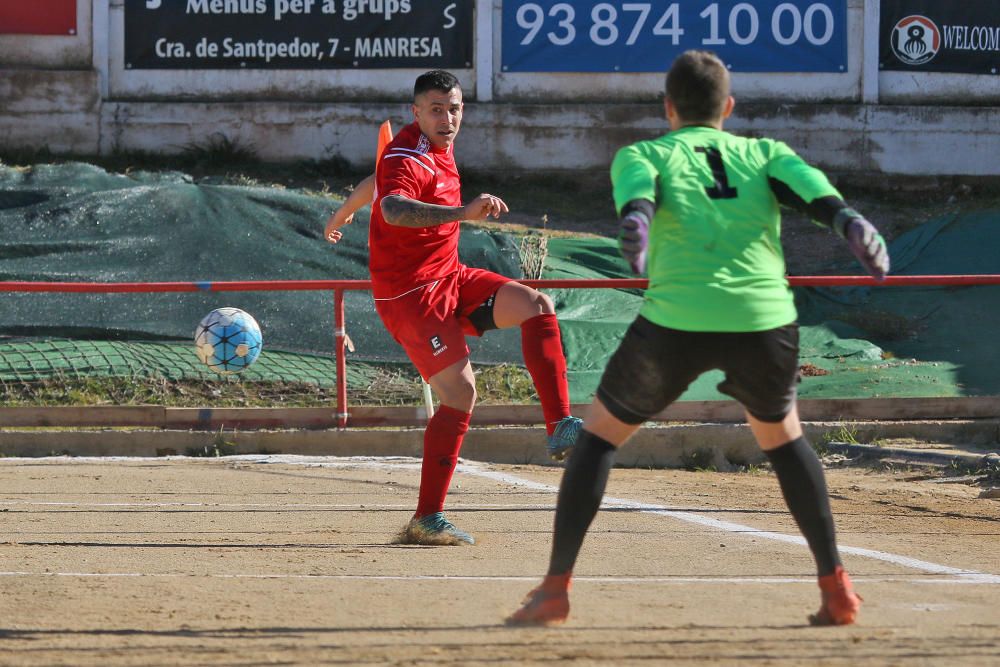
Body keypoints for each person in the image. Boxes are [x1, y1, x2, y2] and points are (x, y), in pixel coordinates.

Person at [507, 50, 889, 627]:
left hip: (677, 319)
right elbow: (816, 196)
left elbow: (637, 193)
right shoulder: (764, 153)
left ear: (668, 109)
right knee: (784, 441)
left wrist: (637, 219)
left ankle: (556, 588)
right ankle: (837, 588)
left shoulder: (644, 154)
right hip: (762, 320)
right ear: (728, 108)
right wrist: (845, 222)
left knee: (597, 441)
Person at [324, 70, 582, 546]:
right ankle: (427, 517)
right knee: (461, 394)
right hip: (410, 297)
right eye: (437, 109)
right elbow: (394, 208)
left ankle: (561, 426)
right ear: (416, 112)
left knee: (536, 304)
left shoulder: (431, 148)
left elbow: (374, 182)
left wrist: (342, 213)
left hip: (450, 276)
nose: (448, 118)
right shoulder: (406, 155)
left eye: (455, 108)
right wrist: (463, 213)